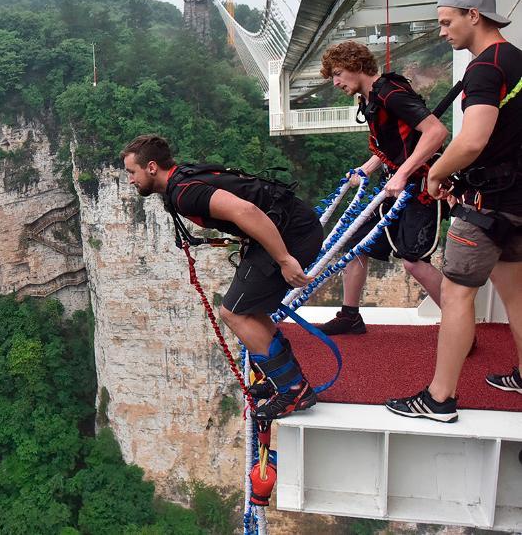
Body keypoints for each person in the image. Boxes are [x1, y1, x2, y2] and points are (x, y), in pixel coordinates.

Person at [386, 0, 522, 423]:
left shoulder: (485, 69)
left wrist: (439, 172)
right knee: (516, 292)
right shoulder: (516, 59)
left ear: (473, 16)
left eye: (447, 21)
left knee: (456, 293)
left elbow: (474, 137)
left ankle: (439, 397)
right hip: (517, 199)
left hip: (486, 204)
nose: (442, 31)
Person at [121, 134, 325, 419]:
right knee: (248, 308)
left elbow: (246, 210)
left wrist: (284, 259)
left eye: (132, 171)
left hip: (291, 234)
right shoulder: (183, 177)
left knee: (233, 313)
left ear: (152, 167)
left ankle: (294, 389)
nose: (131, 180)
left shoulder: (184, 192)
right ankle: (282, 378)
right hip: (286, 224)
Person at [315, 41, 450, 336]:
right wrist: (367, 168)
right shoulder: (371, 98)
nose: (336, 82)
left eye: (338, 73)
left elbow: (436, 133)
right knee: (356, 245)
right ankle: (350, 316)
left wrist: (402, 174)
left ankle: (459, 327)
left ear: (356, 65)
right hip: (395, 184)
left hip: (420, 185)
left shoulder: (390, 92)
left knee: (413, 262)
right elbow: (394, 143)